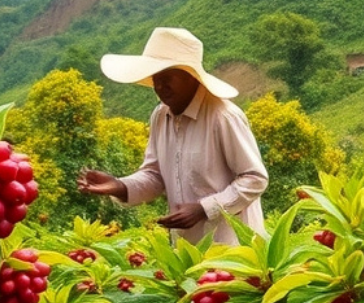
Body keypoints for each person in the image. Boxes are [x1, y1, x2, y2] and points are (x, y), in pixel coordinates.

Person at [77, 27, 268, 244]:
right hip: (186, 249)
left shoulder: (223, 117)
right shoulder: (161, 116)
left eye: (167, 77)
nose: (159, 86)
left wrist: (204, 209)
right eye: (155, 78)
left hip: (233, 250)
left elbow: (255, 179)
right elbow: (155, 175)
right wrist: (120, 186)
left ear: (191, 78)